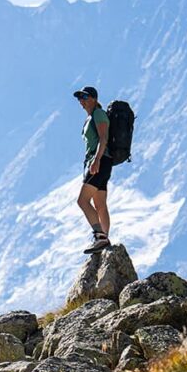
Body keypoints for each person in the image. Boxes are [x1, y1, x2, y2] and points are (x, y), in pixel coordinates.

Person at [72, 86, 113, 252]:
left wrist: (96, 160)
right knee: (100, 204)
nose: (81, 101)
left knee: (82, 201)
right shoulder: (90, 118)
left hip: (99, 161)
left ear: (94, 99)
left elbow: (103, 138)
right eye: (79, 98)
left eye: (85, 97)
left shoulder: (99, 114)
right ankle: (104, 239)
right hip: (102, 162)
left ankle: (100, 236)